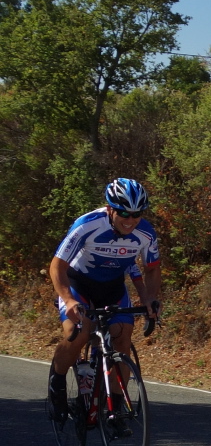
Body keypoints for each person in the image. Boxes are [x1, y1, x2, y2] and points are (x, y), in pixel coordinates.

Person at [47, 178, 162, 431]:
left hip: (112, 288)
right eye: (123, 212)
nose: (130, 220)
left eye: (136, 214)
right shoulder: (86, 225)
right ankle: (57, 383)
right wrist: (68, 299)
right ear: (110, 208)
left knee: (123, 337)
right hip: (79, 285)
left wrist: (150, 298)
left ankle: (117, 407)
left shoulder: (146, 233)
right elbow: (57, 266)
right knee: (78, 333)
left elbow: (152, 269)